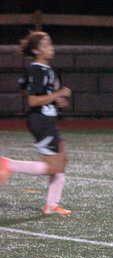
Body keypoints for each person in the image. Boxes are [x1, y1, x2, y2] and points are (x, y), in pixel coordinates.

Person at [0, 31, 72, 215]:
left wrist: (54, 100)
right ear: (36, 51)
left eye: (50, 44)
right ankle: (7, 164)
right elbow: (32, 100)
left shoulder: (40, 69)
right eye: (46, 45)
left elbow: (24, 86)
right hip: (41, 122)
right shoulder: (38, 70)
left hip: (45, 120)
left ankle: (52, 205)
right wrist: (58, 94)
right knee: (55, 167)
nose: (51, 48)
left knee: (62, 160)